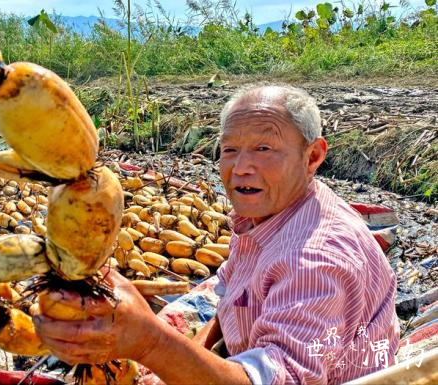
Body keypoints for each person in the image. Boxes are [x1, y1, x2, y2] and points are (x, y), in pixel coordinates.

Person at [33, 84, 400, 384]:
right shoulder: (268, 211)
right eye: (230, 150)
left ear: (313, 157)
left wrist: (152, 344)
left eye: (264, 148)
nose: (240, 169)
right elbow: (234, 302)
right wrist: (187, 355)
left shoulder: (316, 260)